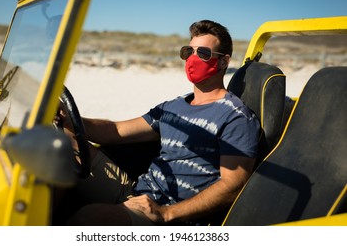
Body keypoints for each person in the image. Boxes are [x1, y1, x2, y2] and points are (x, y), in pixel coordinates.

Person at [57, 20, 260, 225]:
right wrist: (69, 118)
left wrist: (166, 213)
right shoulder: (172, 107)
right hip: (137, 194)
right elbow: (117, 130)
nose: (193, 58)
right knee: (59, 142)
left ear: (224, 62)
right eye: (189, 51)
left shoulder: (236, 117)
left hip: (170, 216)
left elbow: (233, 184)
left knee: (88, 218)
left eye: (203, 53)